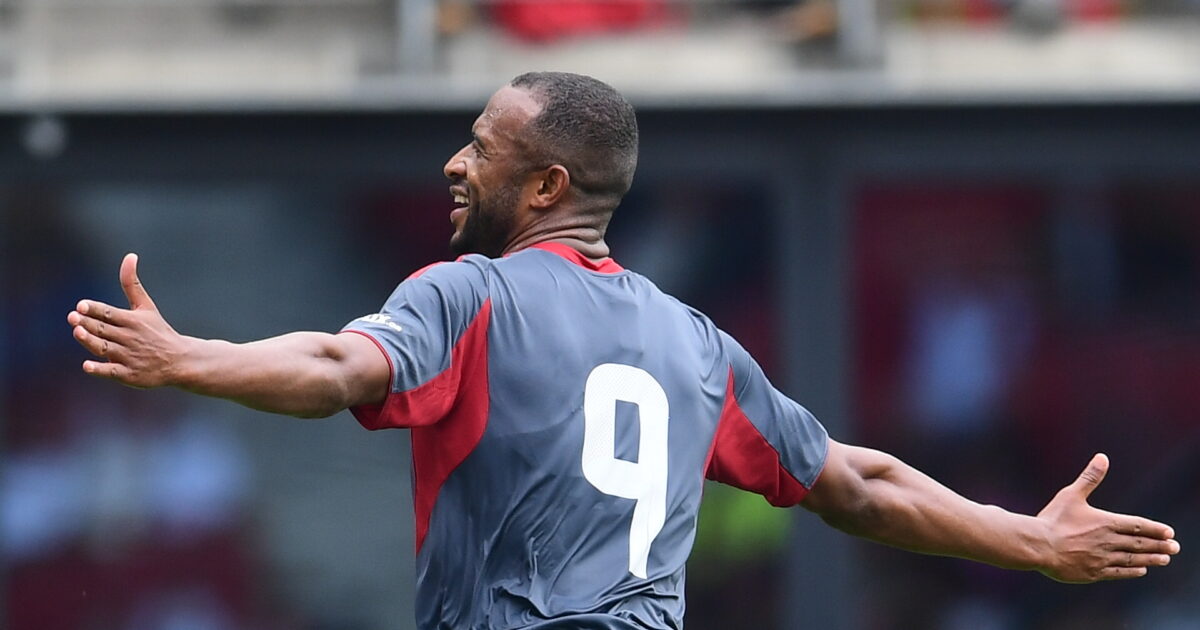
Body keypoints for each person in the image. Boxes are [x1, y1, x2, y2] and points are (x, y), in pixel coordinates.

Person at [67, 72, 1179, 630]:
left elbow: (338, 369)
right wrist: (1028, 540)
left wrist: (188, 359)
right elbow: (856, 481)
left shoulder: (469, 296)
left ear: (546, 185)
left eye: (481, 148)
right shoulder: (696, 346)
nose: (455, 164)